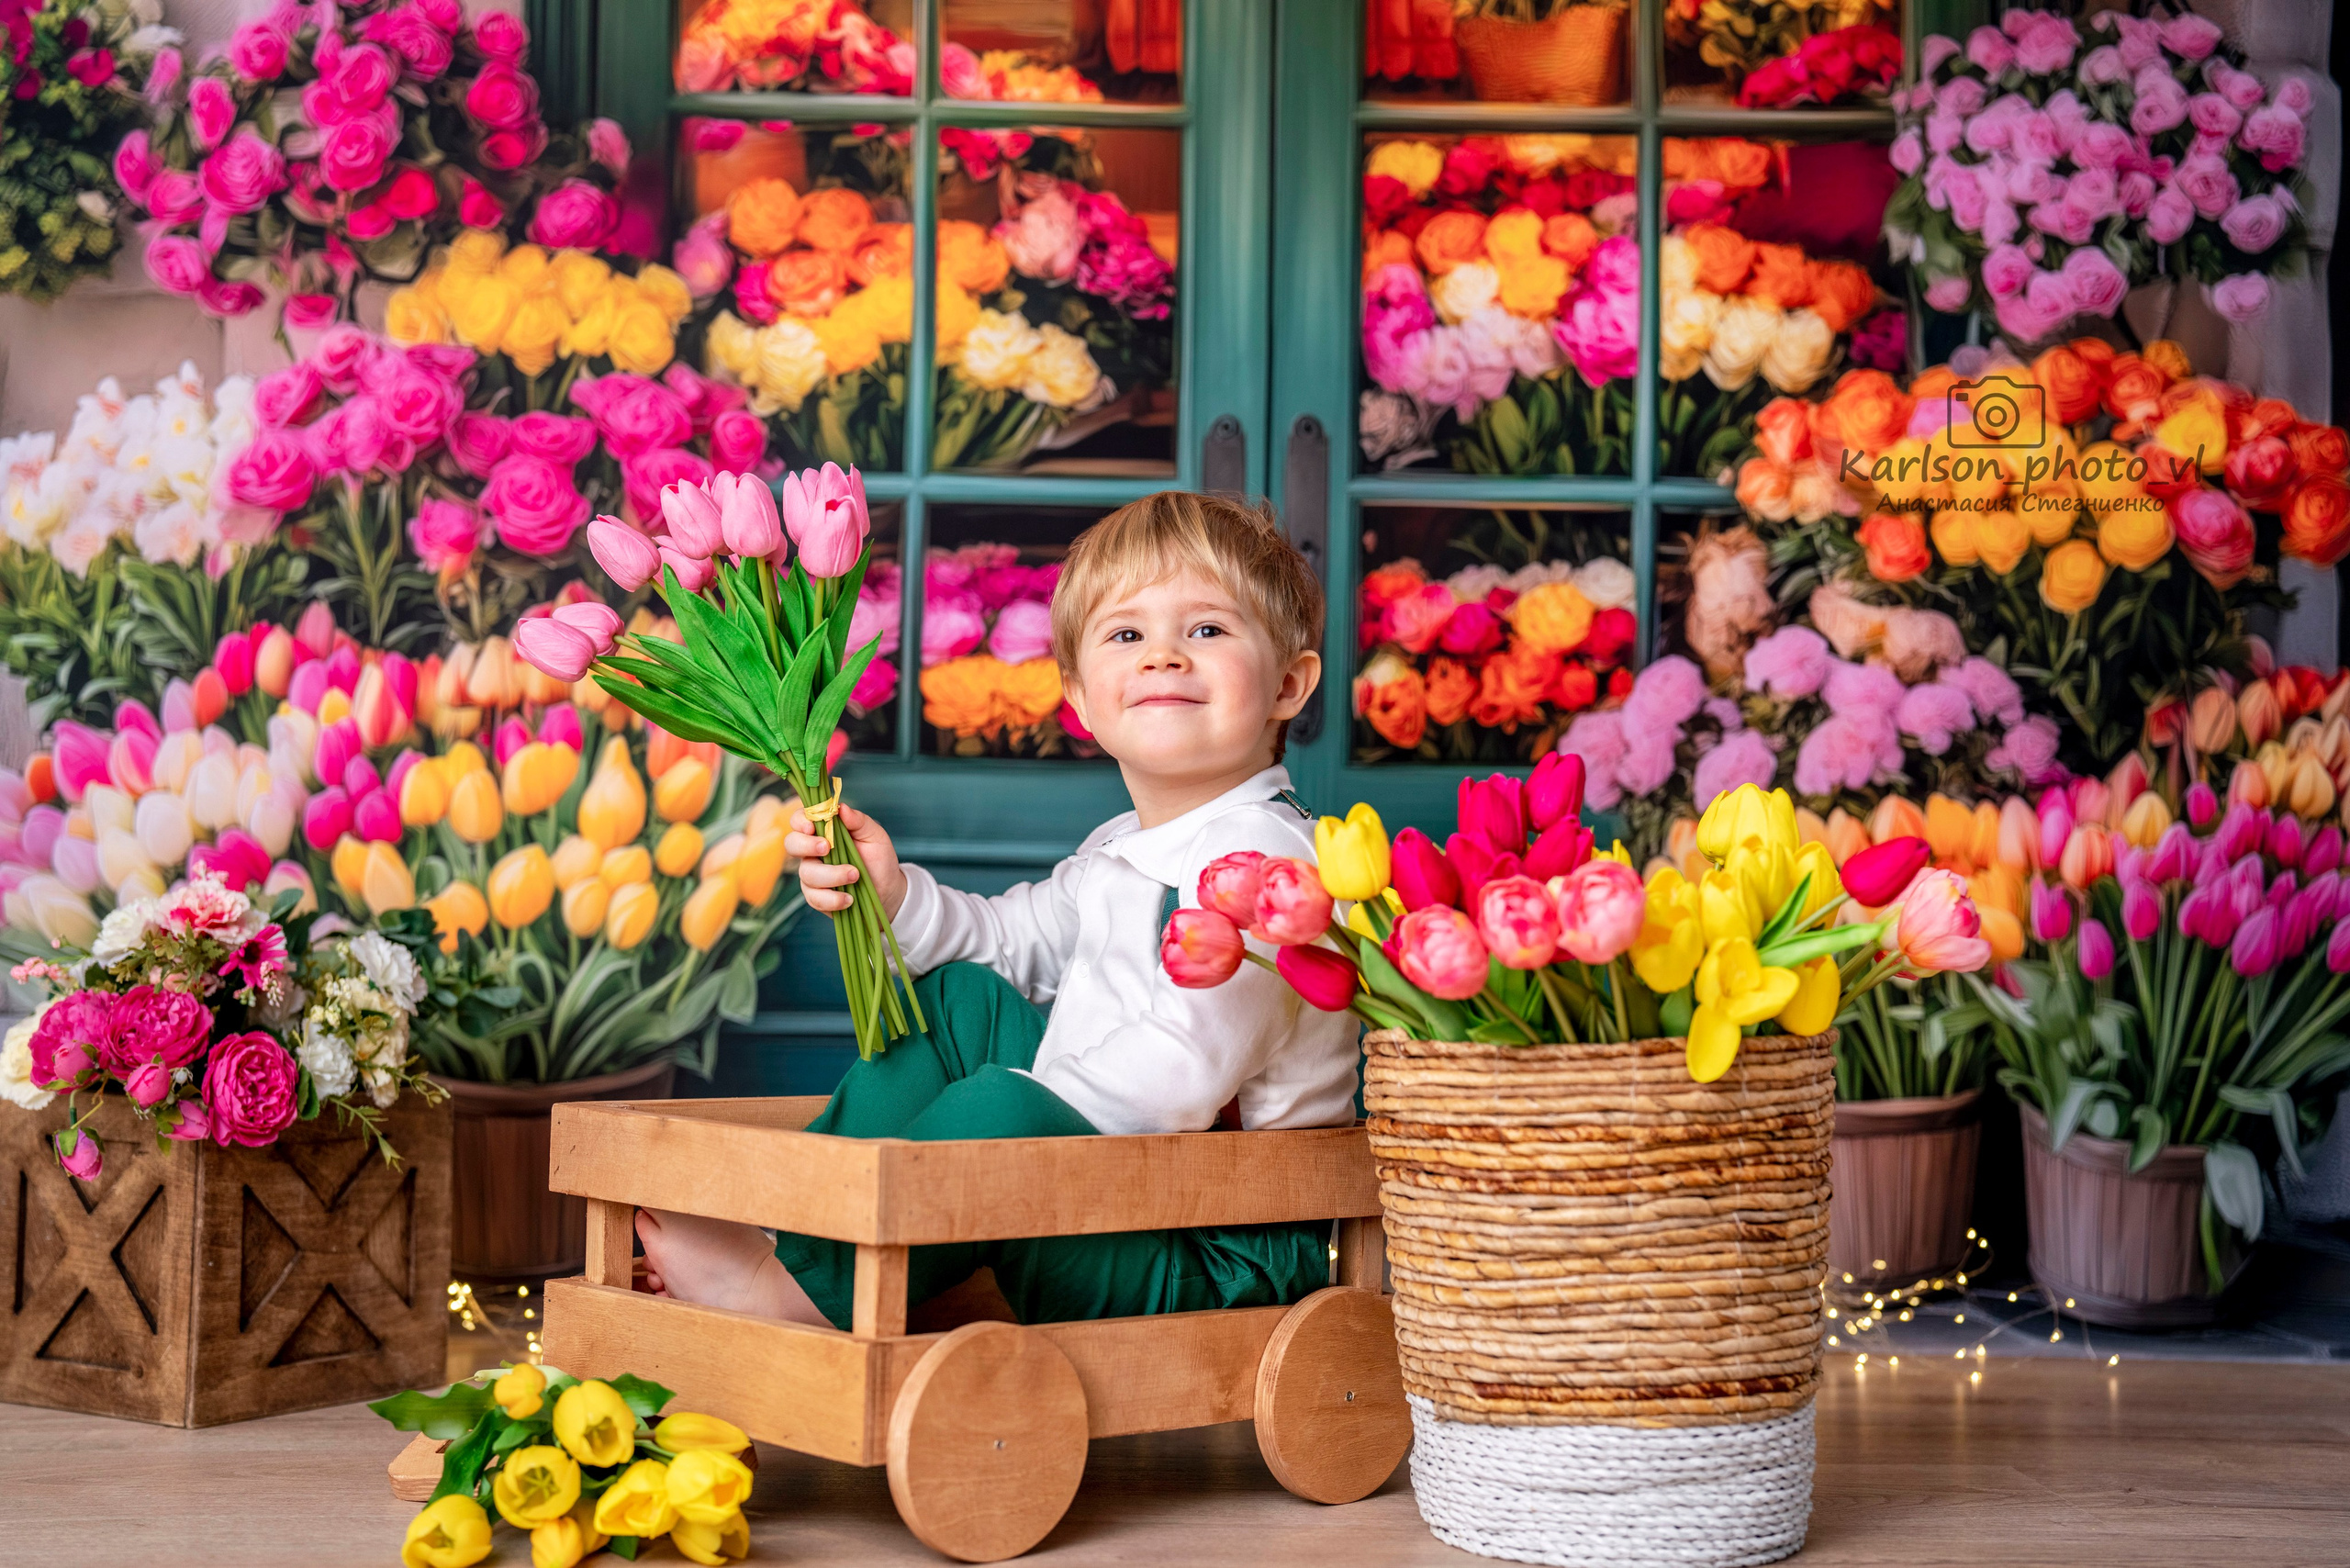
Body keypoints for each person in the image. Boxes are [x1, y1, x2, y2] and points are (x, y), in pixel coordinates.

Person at [635, 490, 1359, 1327]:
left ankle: (791, 1295)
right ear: (1081, 700)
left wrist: (1015, 1117)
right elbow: (1008, 942)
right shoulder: (1121, 848)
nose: (1163, 656)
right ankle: (810, 1246)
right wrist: (894, 894)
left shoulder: (1269, 863)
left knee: (1002, 1106)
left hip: (1215, 1244)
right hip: (1117, 1194)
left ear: (1289, 685)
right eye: (1128, 635)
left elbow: (1181, 1069)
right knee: (952, 1002)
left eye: (1206, 630)